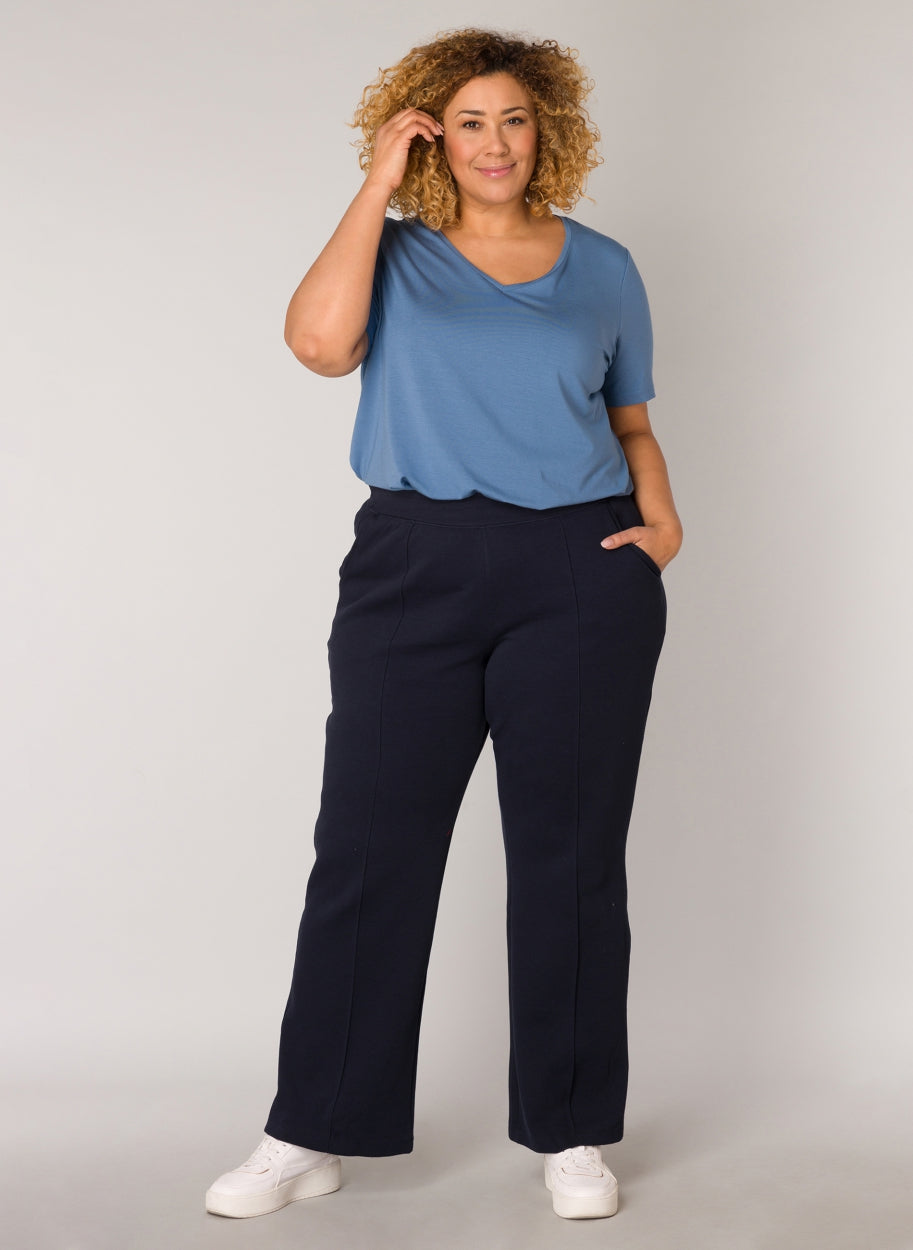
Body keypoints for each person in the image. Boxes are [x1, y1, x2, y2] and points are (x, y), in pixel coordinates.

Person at [205, 27, 682, 1223]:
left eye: (513, 118)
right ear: (430, 134)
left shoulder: (604, 267)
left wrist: (663, 520)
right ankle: (311, 1126)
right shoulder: (396, 254)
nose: (494, 142)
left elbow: (629, 419)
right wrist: (378, 181)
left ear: (545, 129)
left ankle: (570, 1128)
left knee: (569, 857)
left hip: (580, 568)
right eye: (467, 121)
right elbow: (318, 345)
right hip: (414, 561)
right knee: (368, 844)